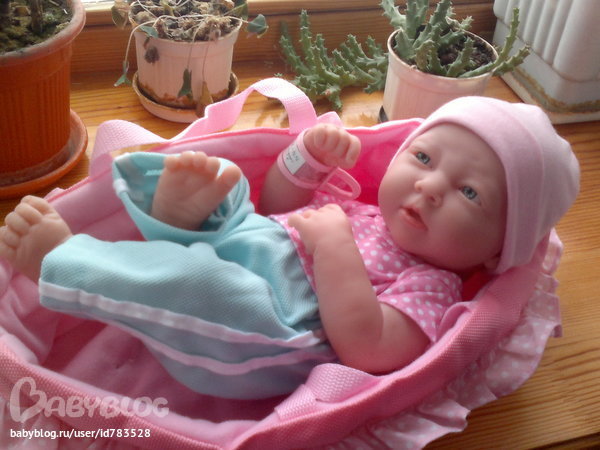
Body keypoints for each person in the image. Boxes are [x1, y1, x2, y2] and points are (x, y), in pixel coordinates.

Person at [0, 97, 579, 399]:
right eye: (423, 158)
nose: (429, 187)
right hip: (260, 248)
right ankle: (182, 224)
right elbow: (279, 207)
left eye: (470, 193)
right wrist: (306, 160)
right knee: (232, 197)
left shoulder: (434, 287)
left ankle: (67, 264)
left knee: (201, 287)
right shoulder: (366, 208)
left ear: (496, 252)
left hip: (278, 325)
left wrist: (334, 247)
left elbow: (367, 347)